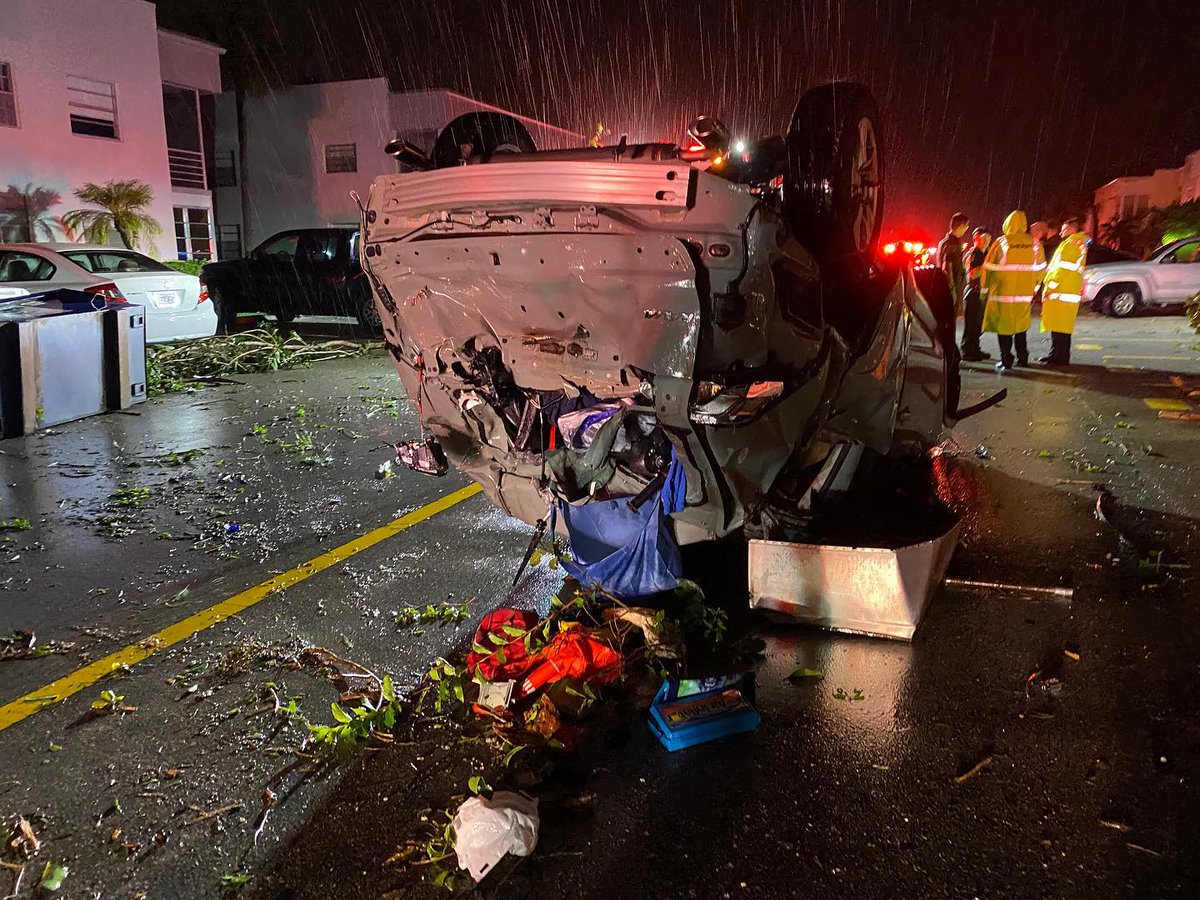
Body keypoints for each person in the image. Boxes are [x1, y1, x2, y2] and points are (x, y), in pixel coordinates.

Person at [982, 209, 1046, 370]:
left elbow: (988, 268)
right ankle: (1023, 357)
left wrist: (984, 291)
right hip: (1024, 295)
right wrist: (1034, 289)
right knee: (1020, 326)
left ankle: (1006, 360)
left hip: (1003, 294)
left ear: (1008, 223)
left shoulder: (1002, 242)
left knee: (1004, 327)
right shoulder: (1035, 244)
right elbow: (1041, 270)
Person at [1039, 218, 1089, 365]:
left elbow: (1063, 267)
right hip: (1067, 290)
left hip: (1061, 289)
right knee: (1062, 326)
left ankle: (1059, 357)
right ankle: (1058, 354)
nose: (1061, 232)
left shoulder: (1071, 244)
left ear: (1072, 229)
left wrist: (1051, 283)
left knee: (1059, 326)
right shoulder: (1078, 243)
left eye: (1064, 229)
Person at [960, 228, 992, 361]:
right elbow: (972, 274)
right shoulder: (975, 253)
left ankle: (975, 348)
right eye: (985, 238)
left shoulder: (983, 253)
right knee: (971, 324)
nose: (988, 241)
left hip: (979, 293)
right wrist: (987, 267)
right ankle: (968, 351)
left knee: (977, 323)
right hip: (973, 292)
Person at [938, 212, 970, 317]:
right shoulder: (952, 243)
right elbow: (947, 266)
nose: (966, 229)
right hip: (950, 288)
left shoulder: (946, 241)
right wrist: (952, 290)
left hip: (946, 287)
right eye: (966, 226)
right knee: (948, 319)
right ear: (960, 226)